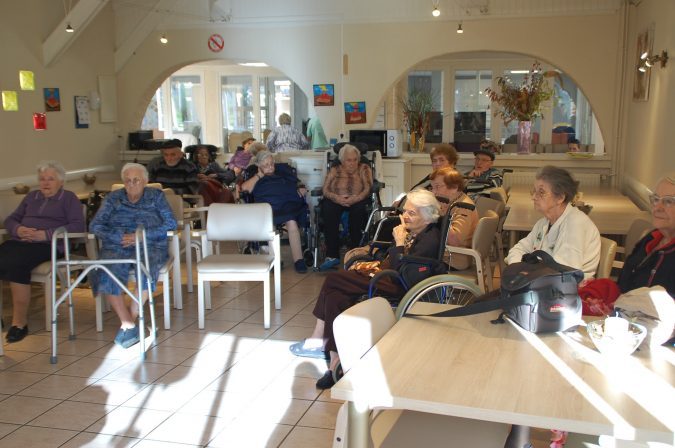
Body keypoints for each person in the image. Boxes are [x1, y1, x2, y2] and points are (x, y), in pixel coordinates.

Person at [289, 189, 442, 389]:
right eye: (405, 211)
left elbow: (405, 271)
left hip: (398, 284)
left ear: (428, 218)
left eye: (412, 213)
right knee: (336, 297)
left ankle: (319, 338)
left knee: (334, 279)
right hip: (388, 275)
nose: (405, 216)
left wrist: (398, 243)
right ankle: (335, 363)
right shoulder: (417, 232)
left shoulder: (430, 240)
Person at [89, 163, 177, 348]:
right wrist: (118, 237)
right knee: (107, 271)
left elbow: (170, 223)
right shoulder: (113, 198)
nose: (131, 184)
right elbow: (96, 226)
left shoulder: (156, 196)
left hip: (149, 244)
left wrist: (140, 236)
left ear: (145, 181)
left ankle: (132, 318)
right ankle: (128, 323)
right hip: (117, 244)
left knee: (145, 268)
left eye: (136, 180)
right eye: (127, 181)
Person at [1, 161, 85, 343]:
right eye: (42, 179)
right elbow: (10, 219)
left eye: (50, 179)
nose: (45, 183)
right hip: (21, 242)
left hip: (49, 245)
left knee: (16, 264)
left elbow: (78, 226)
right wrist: (18, 229)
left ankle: (19, 323)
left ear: (61, 182)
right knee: (9, 258)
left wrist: (45, 235)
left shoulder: (69, 198)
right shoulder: (32, 197)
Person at [505, 166, 601, 278]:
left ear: (560, 197)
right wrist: (518, 268)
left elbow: (564, 272)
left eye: (541, 192)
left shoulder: (575, 224)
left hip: (569, 291)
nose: (534, 197)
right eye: (534, 191)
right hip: (542, 283)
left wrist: (527, 274)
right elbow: (519, 249)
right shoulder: (544, 223)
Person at [240, 151, 309, 273]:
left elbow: (291, 188)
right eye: (266, 165)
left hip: (284, 205)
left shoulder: (282, 173)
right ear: (259, 166)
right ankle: (275, 259)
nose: (270, 167)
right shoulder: (257, 177)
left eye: (272, 163)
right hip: (267, 208)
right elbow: (244, 188)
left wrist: (298, 191)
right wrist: (259, 175)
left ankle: (299, 260)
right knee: (269, 225)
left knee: (292, 222)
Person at [617, 174, 675, 296]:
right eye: (655, 199)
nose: (657, 207)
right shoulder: (650, 239)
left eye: (669, 201)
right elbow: (622, 285)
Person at [319, 144, 374, 271]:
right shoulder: (335, 169)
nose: (352, 163)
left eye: (355, 160)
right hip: (336, 199)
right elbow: (325, 189)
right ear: (342, 160)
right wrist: (336, 198)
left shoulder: (364, 168)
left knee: (359, 211)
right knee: (328, 209)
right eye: (349, 160)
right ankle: (332, 255)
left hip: (357, 199)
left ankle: (355, 254)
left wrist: (356, 198)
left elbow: (368, 188)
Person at [429, 167, 478, 270]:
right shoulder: (452, 202)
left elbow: (455, 240)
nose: (433, 192)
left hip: (454, 259)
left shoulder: (464, 207)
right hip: (444, 253)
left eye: (437, 187)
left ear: (454, 187)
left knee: (412, 261)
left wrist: (441, 213)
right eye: (432, 187)